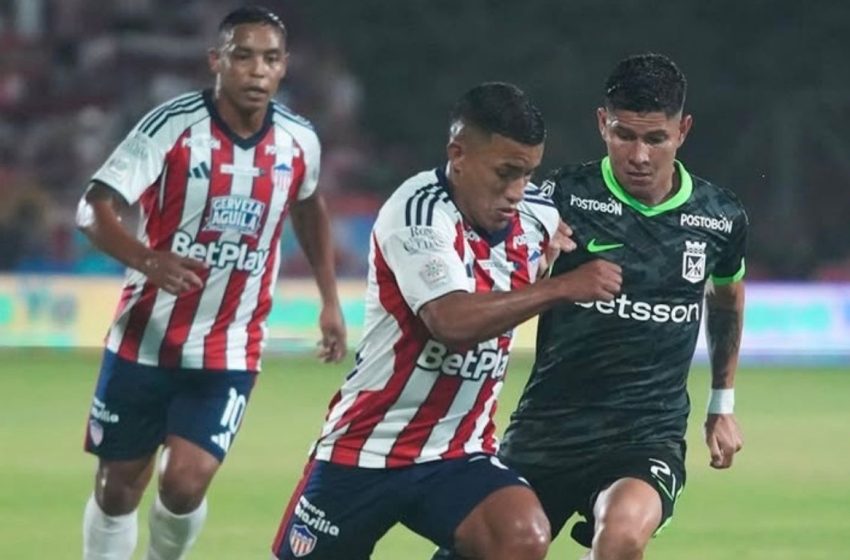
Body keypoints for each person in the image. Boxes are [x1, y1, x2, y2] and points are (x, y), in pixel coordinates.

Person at [270, 82, 622, 560]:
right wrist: (560, 287)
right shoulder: (417, 212)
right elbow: (450, 322)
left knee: (522, 535)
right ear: (458, 154)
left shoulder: (537, 215)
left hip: (458, 453)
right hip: (366, 447)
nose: (517, 192)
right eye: (505, 173)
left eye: (527, 174)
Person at [434, 53, 747, 560]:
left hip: (647, 435)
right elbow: (501, 292)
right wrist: (539, 264)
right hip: (547, 429)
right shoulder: (557, 198)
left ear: (683, 131)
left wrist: (722, 405)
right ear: (603, 123)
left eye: (656, 138)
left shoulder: (720, 217)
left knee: (621, 538)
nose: (639, 155)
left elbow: (727, 296)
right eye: (624, 135)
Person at [76, 6, 346, 560]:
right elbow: (93, 207)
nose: (257, 70)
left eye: (270, 58)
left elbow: (308, 205)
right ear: (216, 61)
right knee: (117, 489)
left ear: (284, 66)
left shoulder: (300, 140)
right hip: (143, 340)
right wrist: (148, 260)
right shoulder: (171, 127)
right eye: (243, 56)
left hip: (230, 346)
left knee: (184, 484)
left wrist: (329, 299)